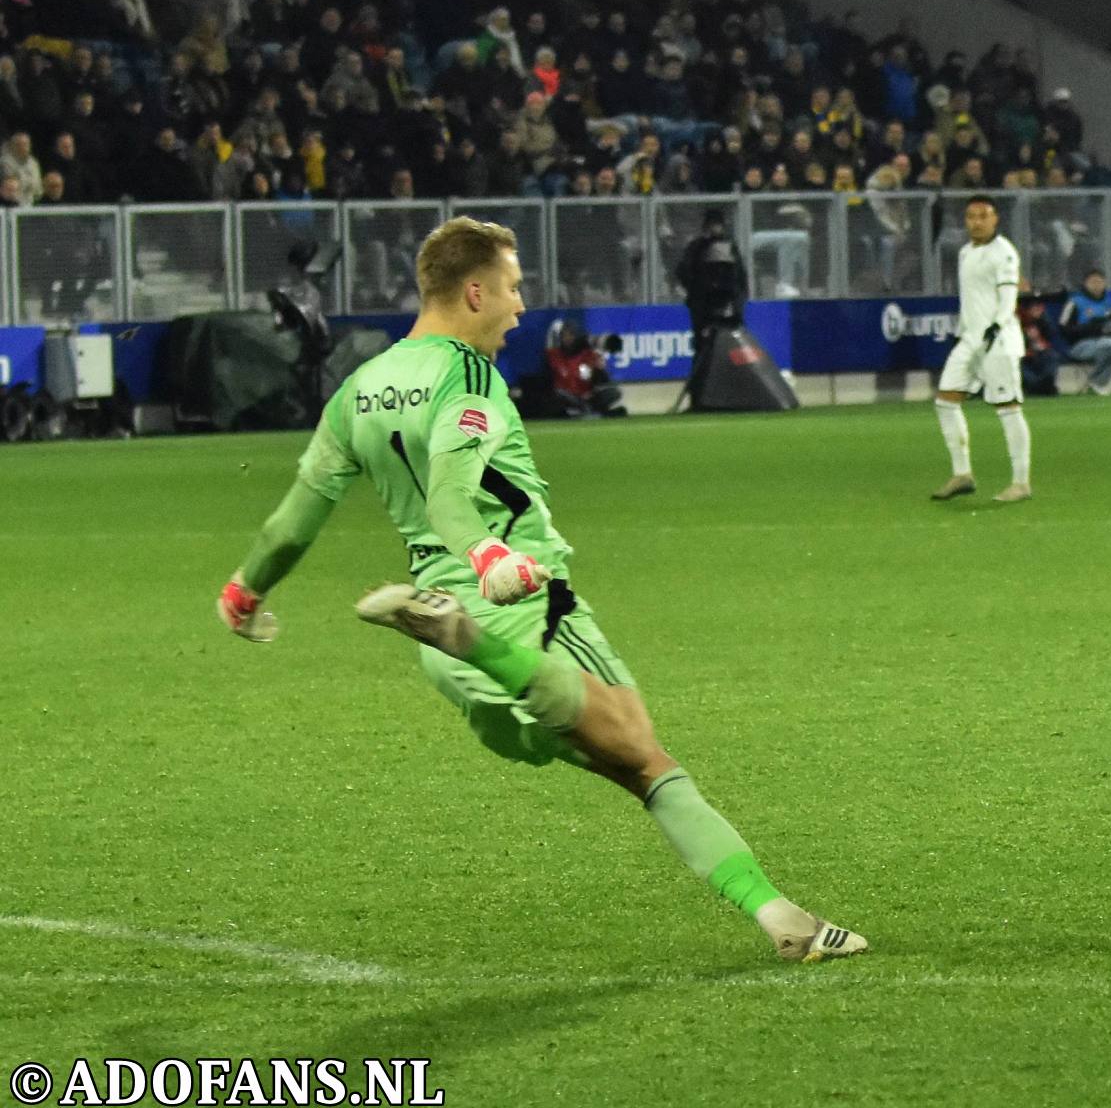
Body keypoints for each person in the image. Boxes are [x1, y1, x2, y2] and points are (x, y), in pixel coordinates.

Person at [215, 217, 866, 962]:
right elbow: (453, 495)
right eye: (514, 289)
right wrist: (489, 557)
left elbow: (292, 526)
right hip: (520, 609)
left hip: (451, 659)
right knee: (649, 762)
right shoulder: (466, 375)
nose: (521, 307)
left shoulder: (358, 390)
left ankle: (786, 920)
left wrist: (243, 593)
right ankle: (783, 921)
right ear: (473, 291)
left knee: (633, 768)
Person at [930, 195, 1034, 503]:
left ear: (995, 219)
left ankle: (1021, 482)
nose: (976, 222)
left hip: (997, 341)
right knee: (945, 401)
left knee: (1008, 407)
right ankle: (962, 474)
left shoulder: (1003, 253)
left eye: (982, 216)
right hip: (970, 339)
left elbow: (1008, 298)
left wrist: (996, 326)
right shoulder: (965, 252)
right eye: (970, 217)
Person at [675, 207, 748, 341]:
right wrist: (692, 290)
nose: (715, 228)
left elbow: (740, 275)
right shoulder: (696, 247)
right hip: (702, 301)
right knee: (703, 341)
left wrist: (738, 299)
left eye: (718, 224)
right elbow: (683, 271)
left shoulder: (730, 246)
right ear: (706, 226)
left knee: (729, 339)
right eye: (712, 225)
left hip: (728, 301)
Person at [544, 319, 628, 418]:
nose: (568, 338)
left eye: (571, 335)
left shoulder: (588, 354)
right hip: (567, 396)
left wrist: (599, 370)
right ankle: (586, 412)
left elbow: (598, 379)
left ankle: (589, 411)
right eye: (564, 335)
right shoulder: (555, 355)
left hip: (586, 396)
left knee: (613, 392)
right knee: (558, 396)